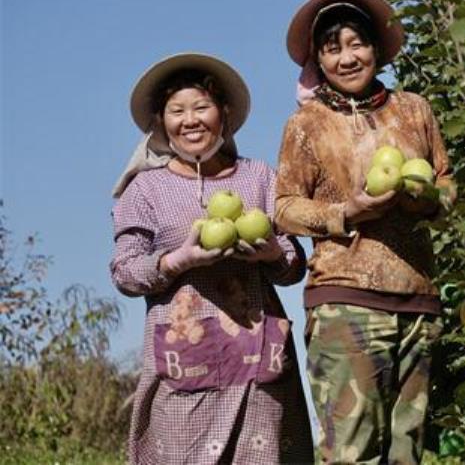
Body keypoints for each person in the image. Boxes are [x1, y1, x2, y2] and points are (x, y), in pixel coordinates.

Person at [276, 0, 457, 464]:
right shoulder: (306, 124)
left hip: (417, 298)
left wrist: (425, 198)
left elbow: (447, 184)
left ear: (376, 48)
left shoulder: (413, 109)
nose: (347, 57)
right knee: (352, 453)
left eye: (357, 43)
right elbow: (285, 207)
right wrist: (345, 214)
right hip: (345, 300)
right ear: (318, 59)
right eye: (332, 48)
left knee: (407, 454)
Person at [110, 53, 313, 464]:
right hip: (185, 361)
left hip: (259, 358)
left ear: (224, 113)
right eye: (177, 111)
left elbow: (294, 265)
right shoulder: (145, 189)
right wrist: (178, 260)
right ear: (160, 124)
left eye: (201, 107)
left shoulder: (258, 178)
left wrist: (273, 253)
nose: (191, 120)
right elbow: (125, 272)